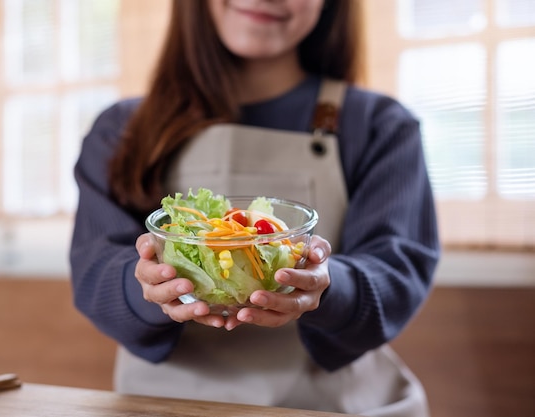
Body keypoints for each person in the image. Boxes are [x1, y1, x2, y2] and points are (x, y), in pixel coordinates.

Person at [69, 1, 440, 416]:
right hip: (166, 404)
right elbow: (92, 271)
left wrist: (326, 285)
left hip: (330, 405)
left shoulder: (378, 125)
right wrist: (149, 285)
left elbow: (399, 272)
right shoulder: (122, 130)